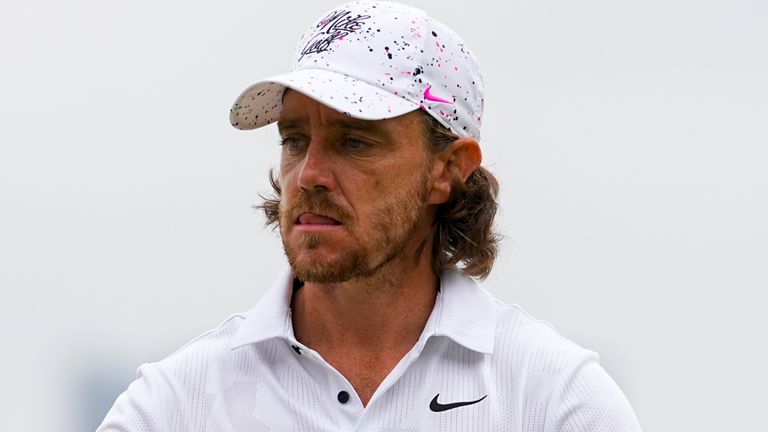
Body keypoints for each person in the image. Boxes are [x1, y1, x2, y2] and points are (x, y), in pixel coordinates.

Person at [97, 1, 642, 430]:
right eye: (294, 139)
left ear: (448, 169)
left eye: (354, 141)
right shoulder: (172, 406)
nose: (308, 173)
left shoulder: (553, 399)